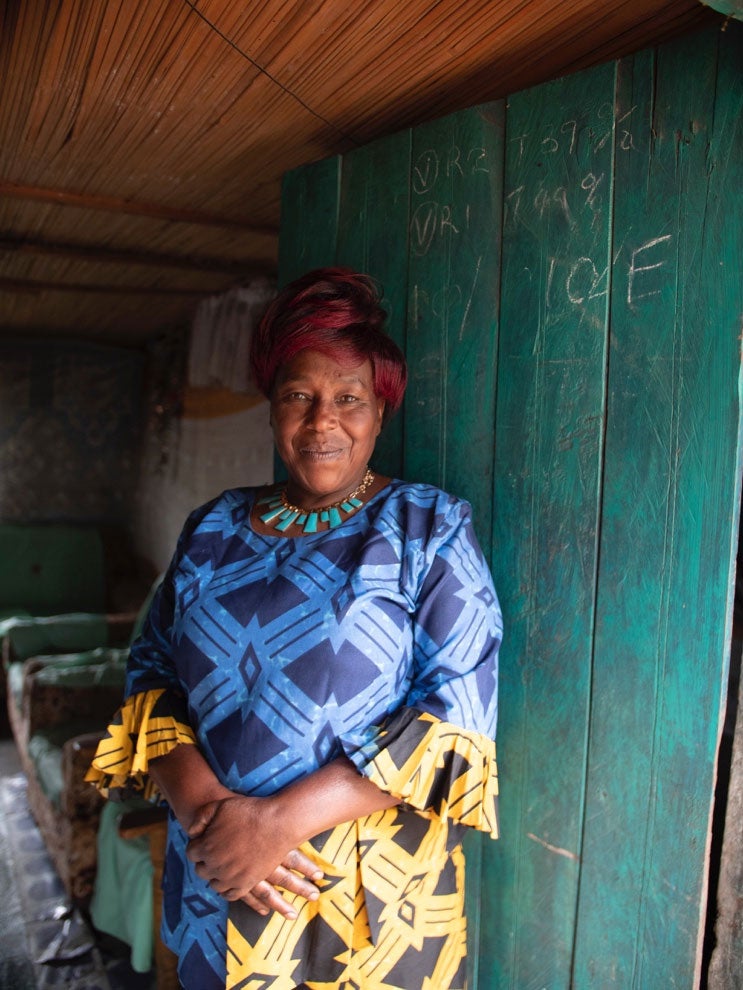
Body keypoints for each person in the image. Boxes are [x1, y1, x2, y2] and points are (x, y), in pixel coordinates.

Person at [87, 267, 502, 990]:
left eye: (349, 399)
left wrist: (278, 822)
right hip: (218, 879)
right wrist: (206, 812)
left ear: (380, 412)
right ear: (272, 408)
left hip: (369, 899)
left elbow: (456, 714)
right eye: (298, 397)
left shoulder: (425, 529)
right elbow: (151, 671)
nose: (321, 423)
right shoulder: (211, 527)